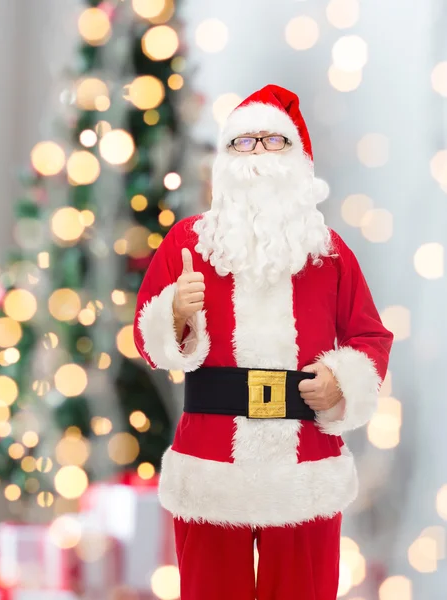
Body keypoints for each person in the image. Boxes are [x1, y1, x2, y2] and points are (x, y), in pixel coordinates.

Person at [133, 84, 393, 600]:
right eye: (243, 142)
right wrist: (177, 314)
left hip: (304, 469)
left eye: (272, 141)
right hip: (212, 464)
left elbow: (369, 334)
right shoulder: (187, 243)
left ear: (298, 157)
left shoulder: (329, 252)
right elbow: (148, 341)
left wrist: (342, 383)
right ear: (225, 159)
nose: (257, 154)